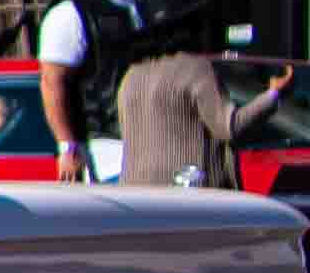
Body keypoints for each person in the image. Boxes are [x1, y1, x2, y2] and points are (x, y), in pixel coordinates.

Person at [33, 0, 170, 180]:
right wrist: (67, 147)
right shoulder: (71, 14)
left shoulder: (143, 10)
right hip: (106, 155)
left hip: (151, 148)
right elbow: (52, 82)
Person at [114, 40, 268, 192]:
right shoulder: (194, 68)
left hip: (132, 193)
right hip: (190, 194)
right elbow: (229, 126)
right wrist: (273, 94)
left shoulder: (131, 76)